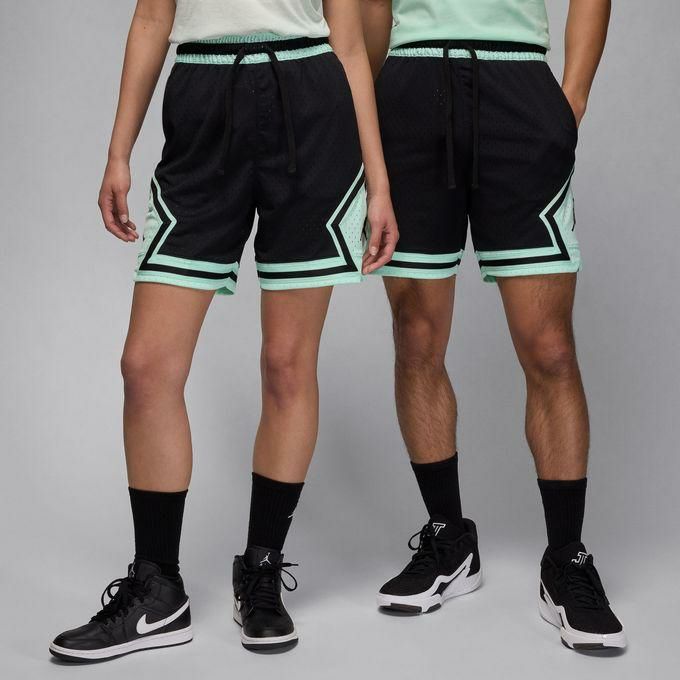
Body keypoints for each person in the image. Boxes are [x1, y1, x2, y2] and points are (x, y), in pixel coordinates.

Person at [49, 0, 397, 661]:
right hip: (202, 104)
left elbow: (350, 44)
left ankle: (261, 570)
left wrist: (379, 184)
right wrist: (118, 151)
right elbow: (152, 18)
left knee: (287, 364)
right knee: (146, 366)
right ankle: (157, 589)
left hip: (311, 108)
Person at [361, 0, 626, 650]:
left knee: (550, 347)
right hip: (410, 89)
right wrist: (367, 122)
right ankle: (448, 538)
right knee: (416, 333)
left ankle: (566, 560)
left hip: (517, 86)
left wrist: (571, 99)